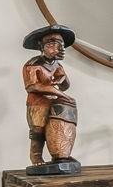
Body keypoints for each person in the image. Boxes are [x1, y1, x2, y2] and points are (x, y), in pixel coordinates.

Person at [22, 24, 82, 175]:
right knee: (38, 130)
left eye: (60, 44)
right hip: (37, 103)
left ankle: (60, 154)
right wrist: (60, 94)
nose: (58, 48)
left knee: (55, 126)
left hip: (53, 101)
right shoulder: (33, 64)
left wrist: (62, 79)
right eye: (52, 44)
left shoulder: (57, 65)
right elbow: (32, 86)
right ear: (41, 46)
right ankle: (35, 156)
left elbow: (65, 85)